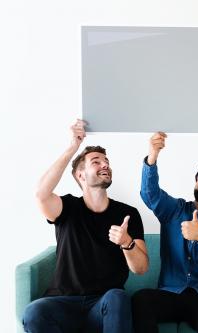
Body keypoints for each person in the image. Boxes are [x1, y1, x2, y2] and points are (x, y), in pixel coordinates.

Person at [23, 119, 148, 333]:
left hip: (103, 306)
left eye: (106, 161)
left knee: (117, 297)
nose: (105, 165)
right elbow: (40, 194)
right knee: (34, 312)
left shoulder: (128, 214)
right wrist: (73, 147)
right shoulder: (66, 207)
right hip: (63, 303)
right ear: (80, 175)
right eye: (96, 162)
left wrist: (127, 243)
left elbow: (141, 268)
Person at [132, 131, 198, 333]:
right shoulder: (174, 210)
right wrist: (152, 157)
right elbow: (149, 194)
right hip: (169, 292)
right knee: (141, 299)